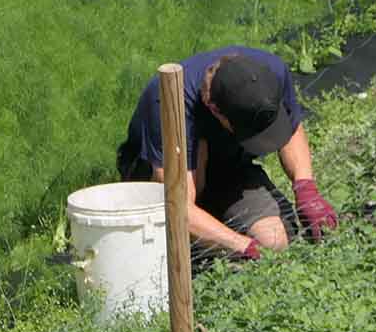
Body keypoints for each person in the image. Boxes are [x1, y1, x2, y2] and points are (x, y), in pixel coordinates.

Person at [118, 46, 338, 262]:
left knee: (273, 240)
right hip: (164, 182)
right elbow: (178, 207)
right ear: (213, 108)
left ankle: (213, 234)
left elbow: (292, 128)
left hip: (228, 169)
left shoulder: (271, 71)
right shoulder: (170, 103)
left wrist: (305, 188)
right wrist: (244, 247)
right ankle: (193, 251)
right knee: (173, 252)